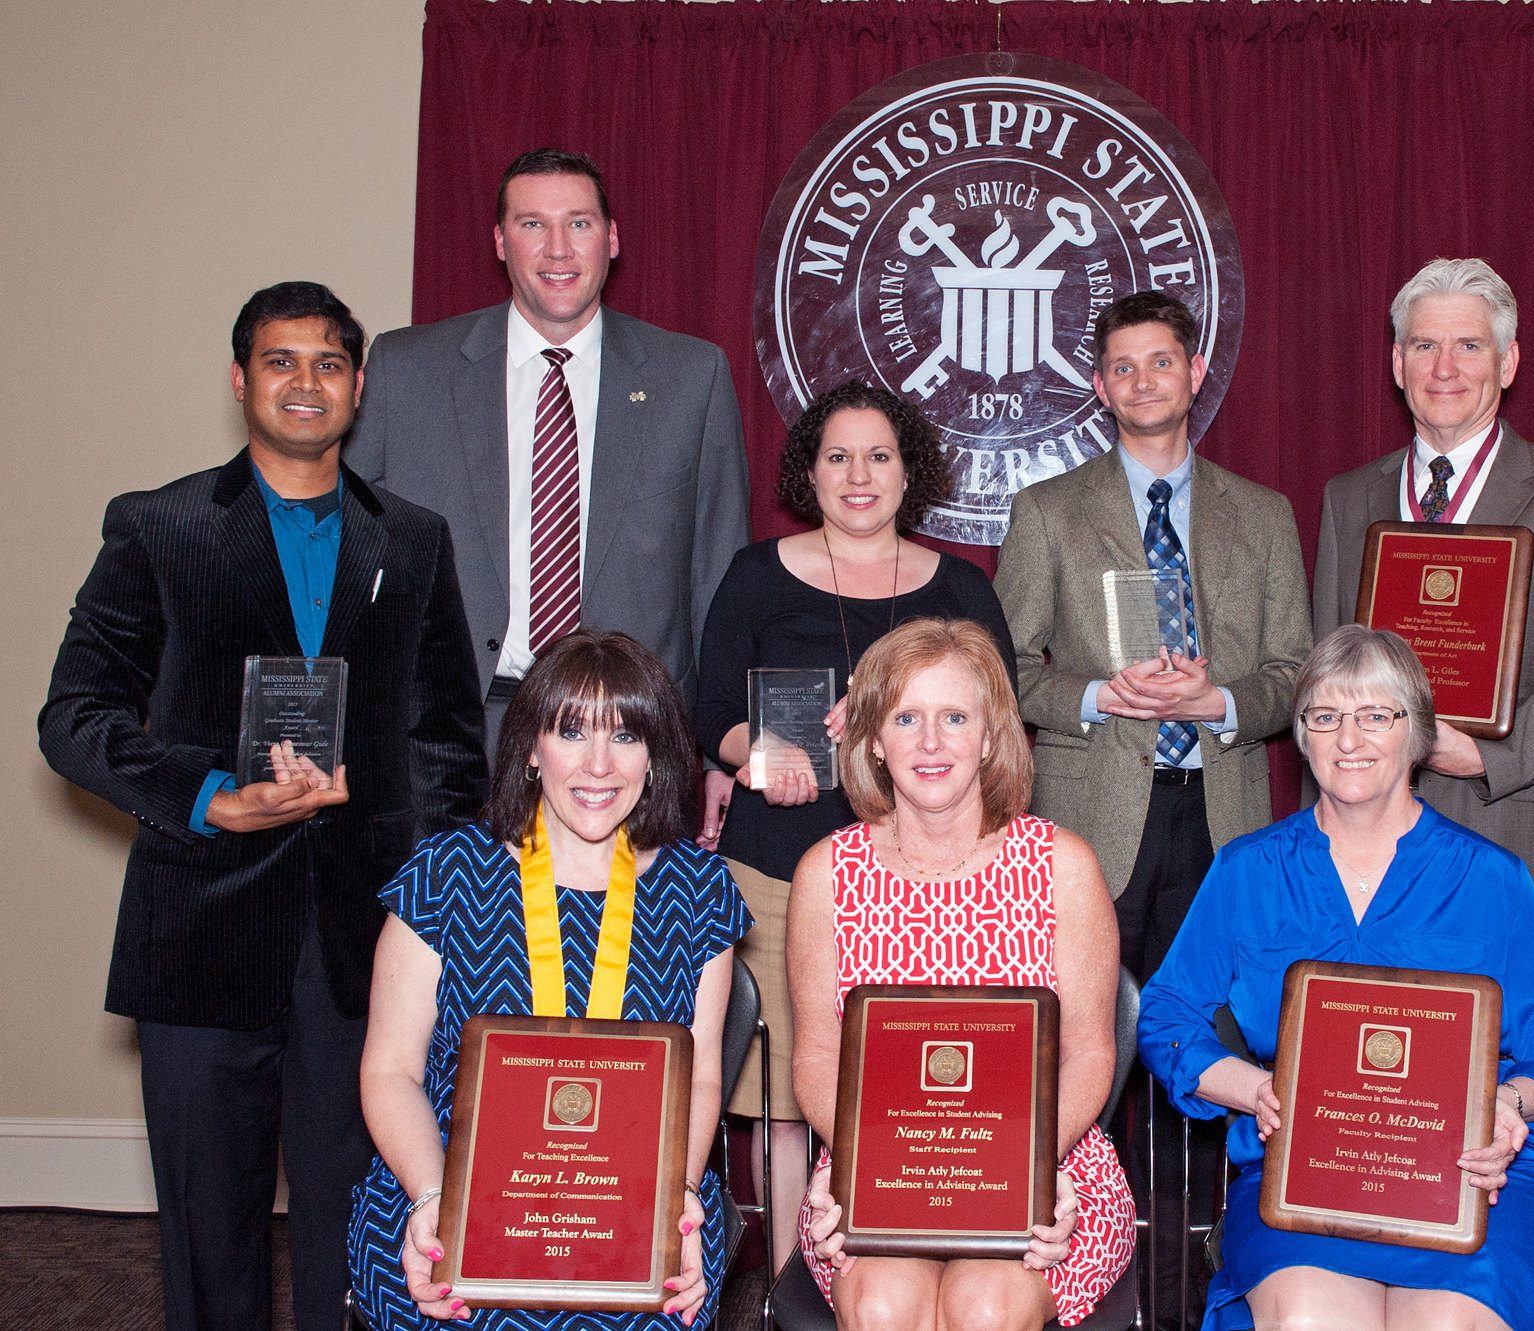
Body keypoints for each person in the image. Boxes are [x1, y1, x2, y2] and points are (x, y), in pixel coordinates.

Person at [38, 282, 488, 1331]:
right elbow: (74, 715)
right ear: (240, 380)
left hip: (360, 935)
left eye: (327, 362)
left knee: (355, 1222)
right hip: (198, 924)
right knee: (209, 1224)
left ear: (358, 386)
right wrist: (207, 797)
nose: (305, 382)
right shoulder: (158, 526)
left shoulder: (411, 540)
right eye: (280, 361)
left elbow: (445, 742)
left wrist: (423, 907)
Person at [1139, 625, 1534, 1331]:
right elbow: (1166, 1016)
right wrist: (1255, 1088)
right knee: (1312, 1321)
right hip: (1309, 1169)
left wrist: (1501, 1101)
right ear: (1301, 735)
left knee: (1444, 1324)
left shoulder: (1493, 878)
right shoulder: (1247, 870)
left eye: (1374, 714)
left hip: (1475, 1177)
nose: (1348, 738)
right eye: (1325, 716)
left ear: (1417, 734)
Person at [692, 380, 1017, 1270]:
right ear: (810, 470)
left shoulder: (961, 585)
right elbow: (708, 709)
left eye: (880, 455)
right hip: (781, 871)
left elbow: (998, 724)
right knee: (789, 1103)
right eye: (838, 456)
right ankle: (811, 1276)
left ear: (910, 472)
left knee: (909, 1088)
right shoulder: (757, 573)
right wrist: (754, 749)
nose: (859, 474)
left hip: (927, 883)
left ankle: (924, 1248)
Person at [347, 630, 747, 1330]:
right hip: (451, 1173)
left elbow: (702, 1079)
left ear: (655, 754)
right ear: (531, 747)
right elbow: (390, 1070)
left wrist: (677, 1194)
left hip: (636, 1186)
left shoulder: (699, 890)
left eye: (625, 735)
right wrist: (434, 1193)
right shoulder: (446, 877)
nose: (598, 765)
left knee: (646, 1305)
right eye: (571, 731)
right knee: (460, 1304)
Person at [346, 147, 751, 767]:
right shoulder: (405, 370)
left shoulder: (690, 377)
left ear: (612, 239)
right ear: (501, 242)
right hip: (440, 736)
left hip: (624, 743)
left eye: (579, 223)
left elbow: (717, 577)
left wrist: (714, 756)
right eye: (532, 224)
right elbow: (347, 545)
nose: (558, 249)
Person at [788, 619, 1135, 1329]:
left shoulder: (1064, 866)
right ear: (875, 741)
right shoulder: (825, 873)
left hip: (1049, 1161)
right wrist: (867, 1168)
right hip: (875, 1166)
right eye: (906, 717)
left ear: (989, 736)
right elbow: (819, 1056)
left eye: (954, 717)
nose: (931, 741)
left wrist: (1024, 1167)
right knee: (883, 1304)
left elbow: (1091, 1051)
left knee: (985, 1304)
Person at [1312, 258, 1534, 979]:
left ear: (1509, 360)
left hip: (1517, 845)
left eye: (1469, 346)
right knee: (1372, 1080)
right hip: (1362, 863)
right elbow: (1324, 670)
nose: (1445, 368)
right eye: (1425, 346)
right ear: (1397, 363)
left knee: (1515, 1088)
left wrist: (1489, 753)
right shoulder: (1347, 498)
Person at [994, 289, 1312, 987]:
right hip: (1091, 808)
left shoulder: (1264, 515)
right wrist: (1097, 695)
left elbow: (1295, 672)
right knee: (1081, 1040)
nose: (1143, 382)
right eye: (1124, 367)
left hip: (1221, 811)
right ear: (1100, 386)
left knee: (1204, 1035)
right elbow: (1000, 670)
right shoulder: (1047, 513)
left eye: (1161, 362)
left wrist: (1219, 701)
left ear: (1195, 372)